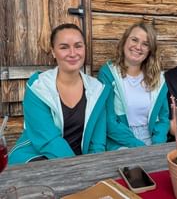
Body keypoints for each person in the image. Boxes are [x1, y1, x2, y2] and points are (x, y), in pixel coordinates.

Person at [9, 23, 111, 165]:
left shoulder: (97, 89)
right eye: (64, 47)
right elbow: (48, 141)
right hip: (37, 157)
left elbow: (97, 142)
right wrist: (77, 168)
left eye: (78, 46)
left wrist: (93, 166)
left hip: (81, 161)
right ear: (53, 51)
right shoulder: (38, 88)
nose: (73, 53)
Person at [98, 22, 170, 150]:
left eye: (145, 44)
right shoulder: (108, 73)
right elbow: (109, 120)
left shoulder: (158, 79)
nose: (138, 47)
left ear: (150, 50)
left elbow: (163, 119)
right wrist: (139, 147)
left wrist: (157, 146)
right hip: (121, 141)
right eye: (134, 40)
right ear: (125, 41)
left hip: (152, 140)